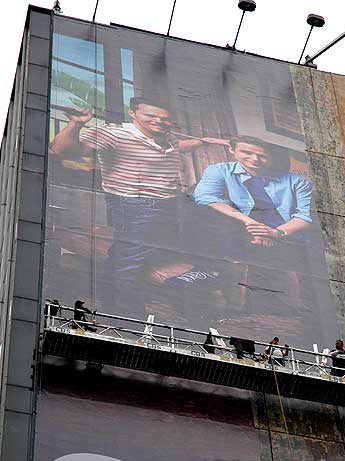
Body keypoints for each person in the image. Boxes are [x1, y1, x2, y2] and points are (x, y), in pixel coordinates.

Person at [50, 97, 229, 312]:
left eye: (164, 118)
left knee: (145, 252)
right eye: (151, 116)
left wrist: (204, 141)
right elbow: (65, 151)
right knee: (129, 257)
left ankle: (117, 298)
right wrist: (76, 124)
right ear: (133, 113)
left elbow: (180, 145)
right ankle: (123, 311)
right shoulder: (114, 133)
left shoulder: (167, 137)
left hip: (170, 204)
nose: (159, 121)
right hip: (134, 205)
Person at [193, 135, 313, 249]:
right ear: (232, 150)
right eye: (246, 153)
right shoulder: (219, 170)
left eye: (263, 156)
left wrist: (276, 233)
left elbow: (305, 217)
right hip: (243, 227)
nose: (255, 159)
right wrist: (251, 223)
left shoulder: (297, 181)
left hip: (284, 232)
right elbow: (205, 197)